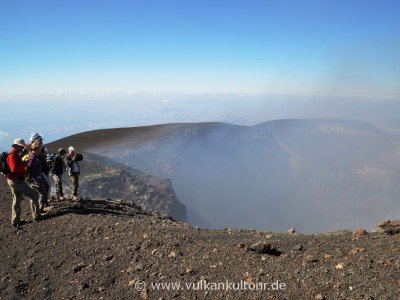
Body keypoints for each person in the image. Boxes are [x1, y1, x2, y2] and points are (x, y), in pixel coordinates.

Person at [5, 138, 42, 227]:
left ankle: (15, 221)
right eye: (21, 146)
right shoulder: (12, 155)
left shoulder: (13, 153)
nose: (22, 148)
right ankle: (37, 216)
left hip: (13, 180)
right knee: (34, 195)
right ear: (16, 146)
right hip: (16, 181)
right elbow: (14, 169)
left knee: (16, 200)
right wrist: (24, 164)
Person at [27, 140, 50, 212]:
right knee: (42, 194)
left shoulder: (34, 156)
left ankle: (40, 210)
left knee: (42, 194)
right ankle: (39, 211)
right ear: (36, 148)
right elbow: (29, 169)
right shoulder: (32, 157)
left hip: (37, 178)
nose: (41, 149)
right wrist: (35, 180)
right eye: (40, 147)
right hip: (36, 179)